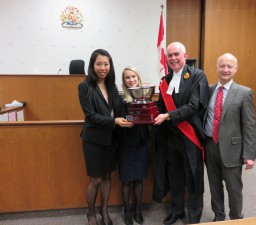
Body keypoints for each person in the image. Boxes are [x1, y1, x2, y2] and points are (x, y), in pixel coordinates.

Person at [152, 42, 209, 224]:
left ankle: (194, 215)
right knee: (174, 175)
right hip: (170, 137)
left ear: (185, 55)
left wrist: (167, 115)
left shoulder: (197, 76)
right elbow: (160, 106)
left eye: (176, 54)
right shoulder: (165, 80)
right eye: (170, 55)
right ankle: (177, 211)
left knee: (193, 176)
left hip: (190, 135)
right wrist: (146, 111)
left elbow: (194, 106)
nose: (173, 58)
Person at [78, 49, 133, 225]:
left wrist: (133, 114)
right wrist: (114, 120)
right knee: (96, 179)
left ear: (110, 65)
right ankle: (91, 213)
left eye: (106, 64)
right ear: (92, 65)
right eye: (99, 64)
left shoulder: (112, 86)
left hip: (110, 139)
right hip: (93, 140)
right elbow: (91, 116)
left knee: (108, 177)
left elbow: (120, 108)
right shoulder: (85, 87)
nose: (103, 68)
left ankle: (104, 211)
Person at [204, 53, 256, 221]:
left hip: (233, 150)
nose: (225, 69)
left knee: (234, 188)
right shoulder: (209, 89)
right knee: (214, 185)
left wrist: (249, 155)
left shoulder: (244, 92)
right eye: (222, 66)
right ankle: (219, 216)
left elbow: (249, 126)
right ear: (216, 68)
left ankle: (236, 218)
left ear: (235, 69)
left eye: (229, 66)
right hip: (210, 145)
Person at [118, 66, 150, 225]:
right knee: (127, 181)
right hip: (126, 143)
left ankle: (138, 209)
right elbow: (116, 119)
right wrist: (123, 122)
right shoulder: (119, 98)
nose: (131, 79)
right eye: (127, 77)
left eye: (133, 77)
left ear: (138, 78)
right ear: (123, 81)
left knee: (138, 179)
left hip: (141, 142)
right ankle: (127, 211)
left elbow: (150, 117)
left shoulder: (146, 96)